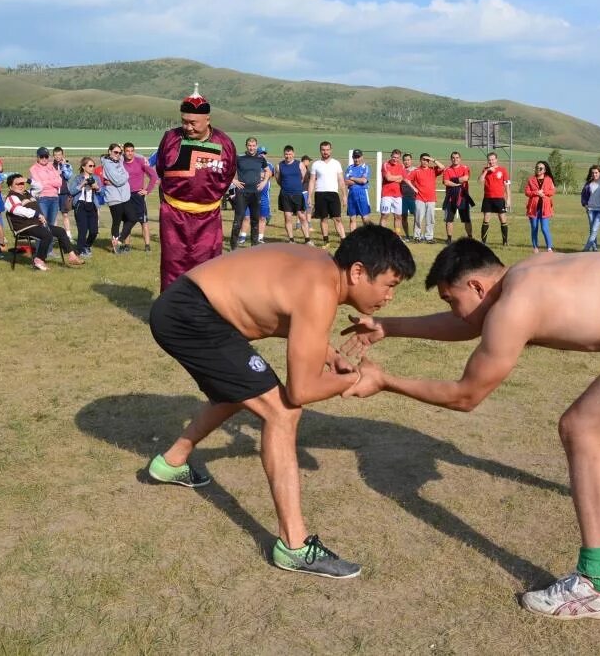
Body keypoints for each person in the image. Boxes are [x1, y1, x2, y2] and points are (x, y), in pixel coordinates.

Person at [341, 240, 600, 620]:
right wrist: (388, 326)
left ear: (477, 286)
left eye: (452, 300)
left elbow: (465, 395)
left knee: (583, 428)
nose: (454, 311)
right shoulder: (528, 271)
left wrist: (386, 381)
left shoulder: (515, 305)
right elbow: (471, 324)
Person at [147, 224, 416, 578]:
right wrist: (358, 379)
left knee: (245, 390)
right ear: (357, 272)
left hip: (188, 305)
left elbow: (286, 312)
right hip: (189, 315)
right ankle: (294, 546)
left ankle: (171, 462)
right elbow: (301, 391)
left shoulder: (320, 269)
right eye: (389, 285)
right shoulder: (319, 289)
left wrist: (330, 355)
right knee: (281, 411)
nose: (389, 297)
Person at [154, 84, 237, 291]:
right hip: (174, 216)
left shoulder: (224, 144)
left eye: (193, 123)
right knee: (173, 264)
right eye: (184, 122)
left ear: (207, 120)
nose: (188, 127)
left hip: (208, 218)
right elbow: (161, 169)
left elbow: (227, 176)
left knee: (207, 267)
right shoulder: (171, 139)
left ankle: (203, 312)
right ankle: (172, 313)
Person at [3, 173, 85, 271]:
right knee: (47, 235)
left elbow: (39, 186)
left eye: (22, 183)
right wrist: (36, 214)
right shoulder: (11, 197)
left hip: (37, 224)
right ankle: (39, 260)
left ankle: (72, 257)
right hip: (24, 227)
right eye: (17, 184)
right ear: (10, 186)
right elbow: (17, 210)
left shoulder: (28, 193)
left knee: (61, 231)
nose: (21, 185)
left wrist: (27, 180)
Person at [230, 137, 270, 249]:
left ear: (256, 146)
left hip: (255, 193)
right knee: (238, 219)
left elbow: (268, 171)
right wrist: (233, 180)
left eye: (253, 146)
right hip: (242, 193)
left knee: (255, 220)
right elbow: (228, 169)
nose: (251, 148)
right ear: (246, 146)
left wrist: (264, 182)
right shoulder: (239, 158)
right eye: (249, 145)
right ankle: (233, 246)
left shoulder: (260, 158)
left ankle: (254, 246)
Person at [308, 141, 347, 248]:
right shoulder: (316, 164)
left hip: (333, 194)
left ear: (331, 150)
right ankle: (326, 241)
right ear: (320, 150)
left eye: (327, 149)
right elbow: (312, 181)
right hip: (320, 193)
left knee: (337, 218)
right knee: (323, 218)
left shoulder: (336, 163)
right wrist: (309, 196)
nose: (325, 152)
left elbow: (341, 180)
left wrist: (344, 196)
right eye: (323, 150)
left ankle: (343, 240)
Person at [98, 144, 136, 254]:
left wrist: (142, 158)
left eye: (120, 153)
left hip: (124, 196)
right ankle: (117, 248)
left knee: (133, 218)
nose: (118, 155)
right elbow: (118, 181)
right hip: (114, 197)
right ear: (109, 151)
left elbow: (130, 155)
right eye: (115, 152)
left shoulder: (118, 160)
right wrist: (126, 176)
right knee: (117, 222)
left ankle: (119, 240)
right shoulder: (108, 164)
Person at [121, 142, 159, 252]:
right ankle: (126, 246)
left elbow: (153, 176)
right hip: (126, 196)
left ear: (134, 151)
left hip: (138, 196)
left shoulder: (140, 162)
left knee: (144, 222)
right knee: (127, 221)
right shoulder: (121, 163)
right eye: (127, 151)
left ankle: (147, 246)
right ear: (124, 151)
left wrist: (147, 190)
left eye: (132, 151)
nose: (130, 153)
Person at [275, 145, 312, 244]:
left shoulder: (300, 164)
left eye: (290, 154)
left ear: (293, 154)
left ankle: (307, 239)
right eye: (286, 154)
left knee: (302, 216)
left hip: (297, 194)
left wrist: (296, 185)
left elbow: (303, 177)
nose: (288, 156)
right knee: (287, 217)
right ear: (284, 154)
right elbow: (278, 180)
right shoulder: (279, 166)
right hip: (285, 195)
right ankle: (291, 240)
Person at [68, 157, 103, 257]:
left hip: (92, 205)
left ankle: (87, 246)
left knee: (94, 231)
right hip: (80, 205)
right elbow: (71, 191)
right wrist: (82, 184)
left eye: (93, 166)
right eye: (90, 166)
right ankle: (80, 250)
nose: (92, 168)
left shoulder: (96, 178)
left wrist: (97, 188)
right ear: (83, 167)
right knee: (82, 230)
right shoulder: (78, 178)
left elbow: (102, 193)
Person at [409, 153, 444, 244]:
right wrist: (413, 188)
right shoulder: (416, 171)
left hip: (431, 199)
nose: (425, 162)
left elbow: (443, 167)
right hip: (419, 198)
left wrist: (432, 159)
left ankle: (429, 237)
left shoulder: (433, 170)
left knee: (430, 219)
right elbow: (407, 179)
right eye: (423, 160)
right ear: (420, 160)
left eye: (427, 160)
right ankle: (417, 236)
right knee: (418, 219)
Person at [478, 152, 511, 246]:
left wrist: (508, 199)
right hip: (488, 198)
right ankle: (483, 242)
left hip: (499, 198)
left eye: (493, 159)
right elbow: (479, 181)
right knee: (486, 218)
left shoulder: (503, 170)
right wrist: (486, 171)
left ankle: (505, 241)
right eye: (489, 160)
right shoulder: (485, 169)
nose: (491, 161)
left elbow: (507, 185)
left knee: (502, 218)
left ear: (496, 159)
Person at [442, 152, 473, 244]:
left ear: (460, 158)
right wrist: (457, 183)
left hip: (463, 197)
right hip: (450, 198)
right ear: (451, 159)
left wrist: (452, 180)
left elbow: (466, 178)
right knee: (449, 220)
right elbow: (446, 182)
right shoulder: (447, 169)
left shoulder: (465, 168)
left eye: (457, 157)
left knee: (466, 219)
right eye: (453, 157)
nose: (455, 159)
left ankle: (470, 237)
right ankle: (449, 238)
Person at [525, 160, 556, 253]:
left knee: (544, 228)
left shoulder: (549, 180)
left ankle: (549, 247)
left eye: (540, 168)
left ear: (545, 170)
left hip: (545, 209)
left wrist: (544, 193)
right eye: (537, 168)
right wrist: (536, 193)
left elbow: (552, 191)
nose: (538, 169)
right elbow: (527, 192)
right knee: (534, 228)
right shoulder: (531, 180)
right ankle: (535, 247)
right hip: (533, 209)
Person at [29, 147, 63, 230]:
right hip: (42, 199)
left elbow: (59, 182)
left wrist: (46, 181)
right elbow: (39, 185)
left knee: (51, 226)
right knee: (42, 224)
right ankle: (40, 243)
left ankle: (49, 243)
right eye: (42, 156)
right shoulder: (33, 169)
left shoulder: (51, 166)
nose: (44, 158)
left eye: (46, 156)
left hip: (54, 198)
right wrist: (52, 181)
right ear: (37, 157)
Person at [581, 165, 600, 251]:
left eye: (596, 172)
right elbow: (583, 195)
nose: (594, 174)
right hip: (590, 210)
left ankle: (585, 249)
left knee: (595, 229)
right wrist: (585, 205)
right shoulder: (588, 183)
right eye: (592, 173)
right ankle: (595, 249)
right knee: (592, 229)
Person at [379, 149, 405, 236]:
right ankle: (381, 236)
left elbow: (402, 179)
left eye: (397, 158)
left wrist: (395, 178)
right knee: (385, 215)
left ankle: (397, 235)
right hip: (386, 194)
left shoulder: (401, 166)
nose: (395, 159)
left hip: (398, 195)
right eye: (394, 157)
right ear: (391, 156)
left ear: (399, 158)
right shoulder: (385, 164)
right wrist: (398, 177)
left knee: (398, 216)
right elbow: (388, 178)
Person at [345, 149, 372, 233]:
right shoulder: (350, 168)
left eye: (358, 157)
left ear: (362, 157)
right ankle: (353, 237)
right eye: (355, 157)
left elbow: (364, 181)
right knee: (352, 218)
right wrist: (358, 180)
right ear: (352, 157)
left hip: (362, 194)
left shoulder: (365, 167)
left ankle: (368, 236)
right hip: (351, 195)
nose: (356, 159)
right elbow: (345, 181)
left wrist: (352, 178)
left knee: (365, 217)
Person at [53, 147, 74, 240]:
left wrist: (64, 166)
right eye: (56, 155)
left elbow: (68, 176)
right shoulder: (50, 166)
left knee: (65, 214)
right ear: (53, 155)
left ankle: (68, 234)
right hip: (53, 193)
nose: (57, 157)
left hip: (64, 193)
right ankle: (54, 235)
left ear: (62, 155)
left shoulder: (68, 165)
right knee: (54, 215)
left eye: (59, 155)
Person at [400, 153, 418, 241]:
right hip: (402, 197)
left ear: (411, 160)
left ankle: (416, 235)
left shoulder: (416, 170)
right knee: (403, 216)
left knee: (416, 215)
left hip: (413, 196)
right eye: (405, 160)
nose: (406, 162)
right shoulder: (400, 170)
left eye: (408, 160)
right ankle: (407, 235)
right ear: (403, 161)